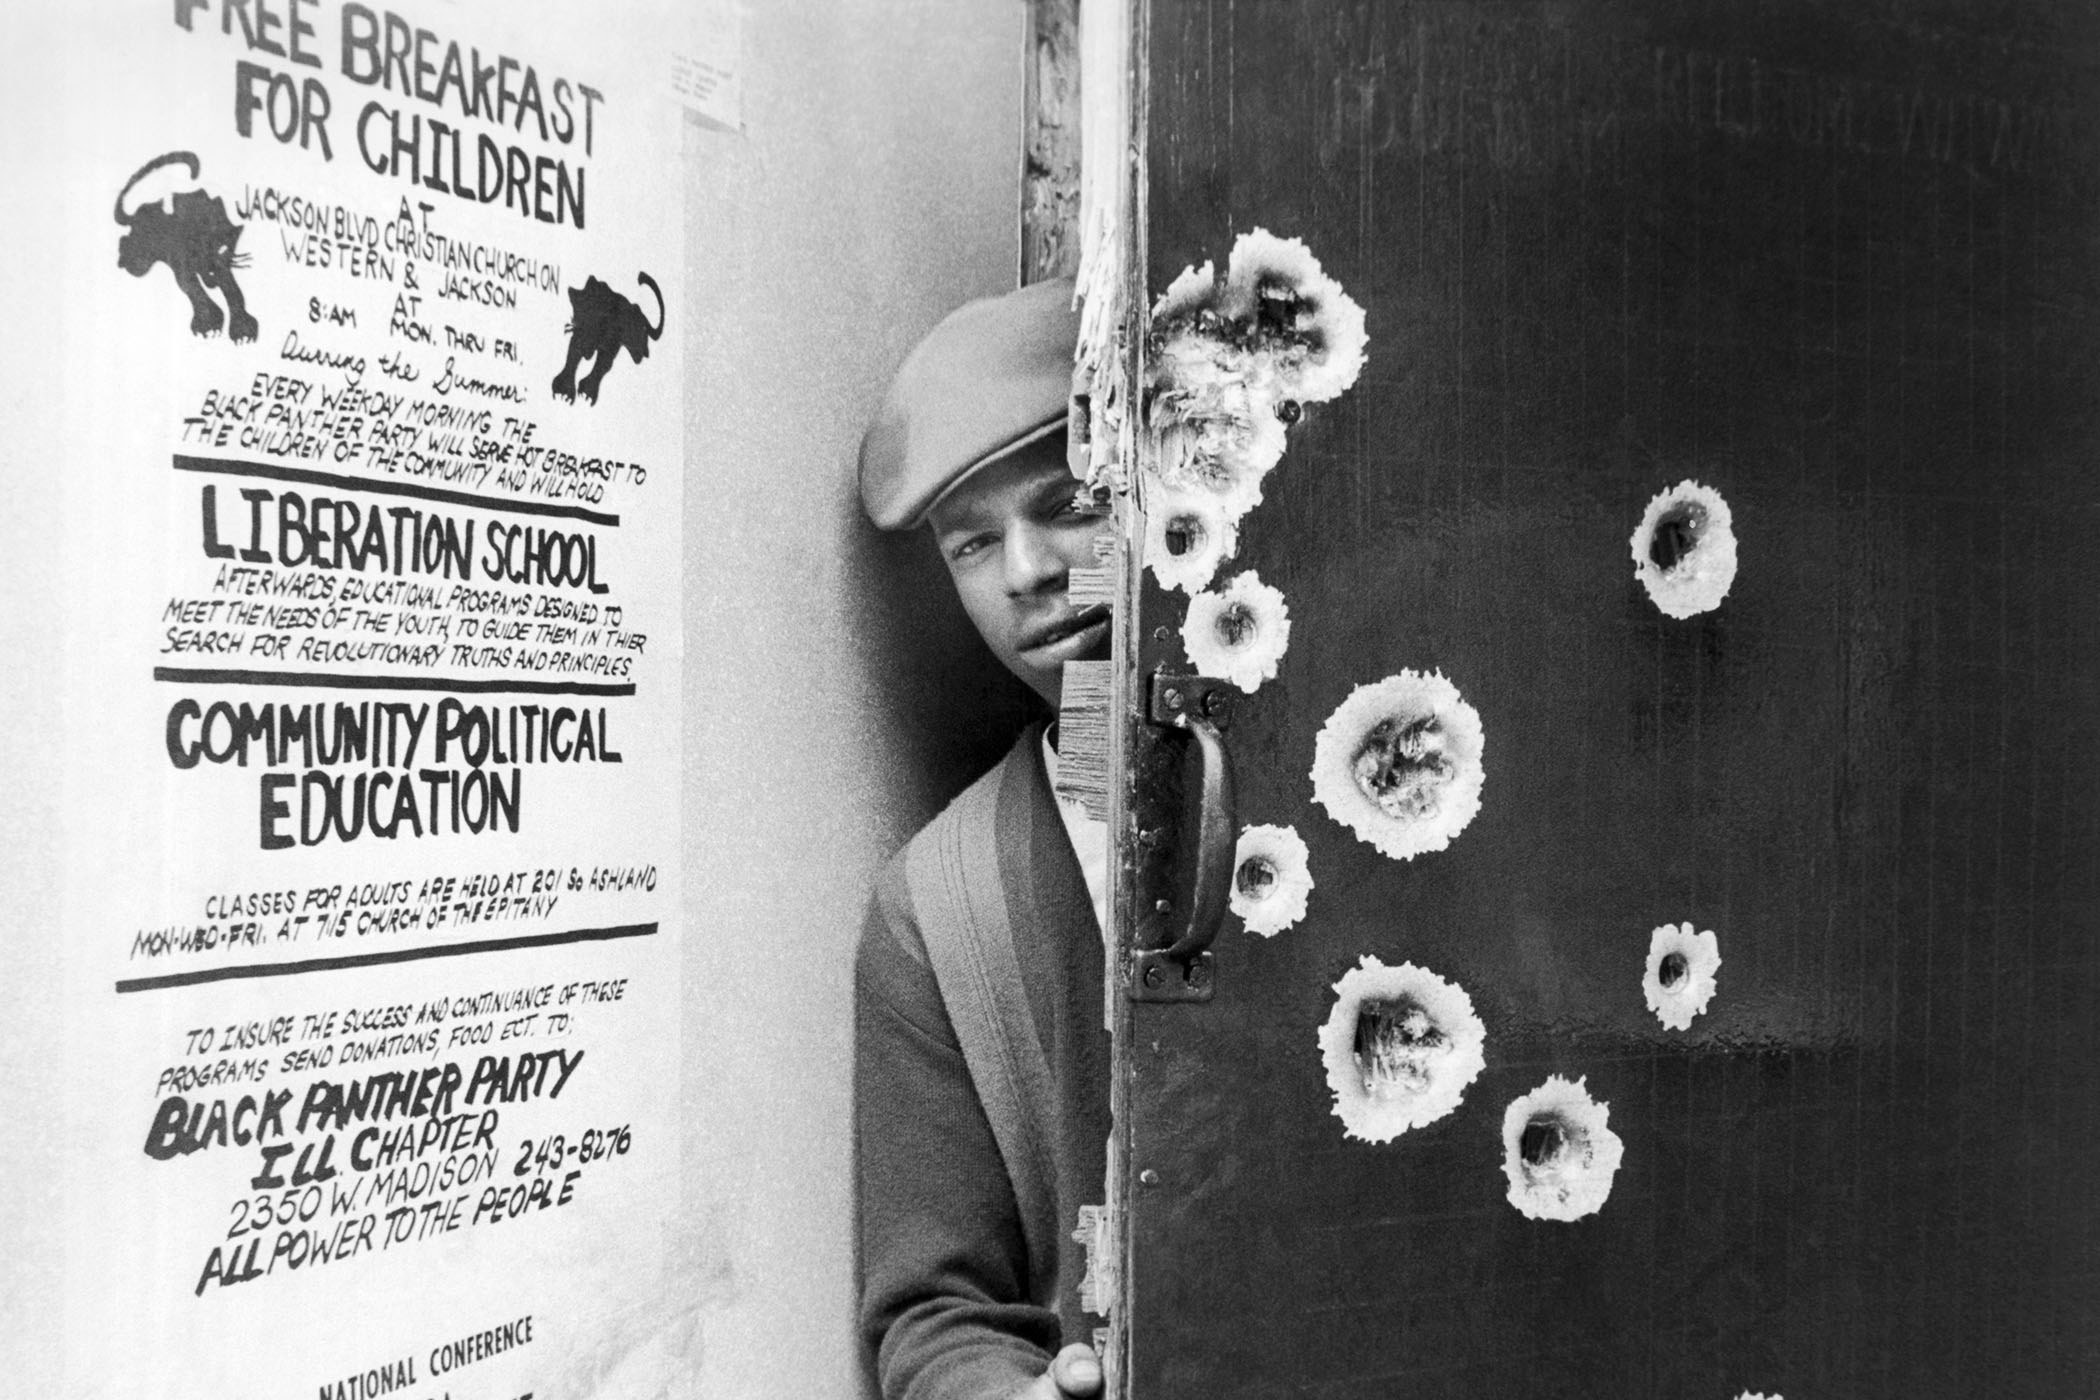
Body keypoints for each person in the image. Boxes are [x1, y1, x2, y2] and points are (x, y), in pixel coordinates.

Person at [854, 276, 1113, 1400]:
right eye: (972, 543)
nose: (1028, 572)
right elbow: (933, 1310)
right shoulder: (936, 906)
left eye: (1067, 502)